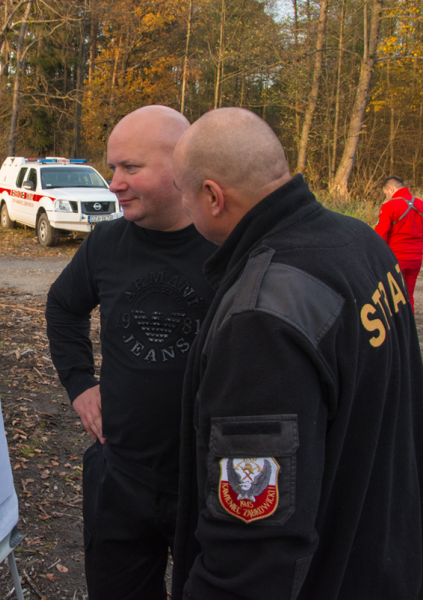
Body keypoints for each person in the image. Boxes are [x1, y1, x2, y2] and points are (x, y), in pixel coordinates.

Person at [171, 107, 423, 599]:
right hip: (388, 558)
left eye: (185, 194)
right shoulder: (360, 243)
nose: (184, 206)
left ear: (212, 197)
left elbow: (254, 543)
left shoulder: (262, 318)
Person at [45, 105, 216, 600]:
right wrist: (79, 384)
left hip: (203, 485)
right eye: (112, 167)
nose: (114, 182)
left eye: (130, 168)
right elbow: (63, 306)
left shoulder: (227, 247)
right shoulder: (107, 244)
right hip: (121, 475)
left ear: (181, 167)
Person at [374, 176, 423, 312]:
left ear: (391, 188)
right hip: (416, 259)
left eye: (386, 194)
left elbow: (380, 235)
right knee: (409, 296)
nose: (387, 197)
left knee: (391, 297)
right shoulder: (420, 204)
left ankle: (394, 331)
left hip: (396, 259)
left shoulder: (390, 206)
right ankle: (410, 329)